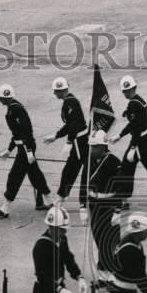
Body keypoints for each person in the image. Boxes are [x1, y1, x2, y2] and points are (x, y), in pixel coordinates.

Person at [0, 84, 53, 217]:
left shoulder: (16, 110)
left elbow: (26, 131)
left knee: (14, 176)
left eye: (0, 98)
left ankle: (5, 207)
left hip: (26, 148)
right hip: (23, 147)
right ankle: (49, 200)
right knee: (35, 175)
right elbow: (17, 134)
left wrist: (29, 150)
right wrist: (9, 149)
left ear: (5, 98)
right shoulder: (12, 109)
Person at [111, 75, 147, 197]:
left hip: (139, 142)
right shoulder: (139, 100)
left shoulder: (133, 104)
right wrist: (120, 135)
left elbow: (136, 127)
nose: (124, 93)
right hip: (143, 139)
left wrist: (133, 148)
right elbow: (134, 124)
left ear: (130, 90)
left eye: (125, 91)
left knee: (132, 168)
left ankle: (123, 197)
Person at [43, 77, 90, 223]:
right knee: (72, 171)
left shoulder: (71, 102)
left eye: (56, 91)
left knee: (74, 172)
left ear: (61, 90)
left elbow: (75, 125)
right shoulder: (69, 101)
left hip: (80, 142)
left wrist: (69, 141)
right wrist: (56, 136)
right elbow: (69, 125)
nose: (54, 94)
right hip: (79, 141)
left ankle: (66, 202)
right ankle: (66, 201)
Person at [86, 129, 125, 282]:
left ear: (103, 147)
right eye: (90, 146)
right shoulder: (89, 161)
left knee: (108, 240)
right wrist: (83, 206)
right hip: (94, 205)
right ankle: (105, 270)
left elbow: (121, 187)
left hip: (108, 206)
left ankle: (109, 272)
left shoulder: (114, 162)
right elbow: (85, 182)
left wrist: (117, 210)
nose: (91, 149)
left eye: (94, 146)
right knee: (98, 237)